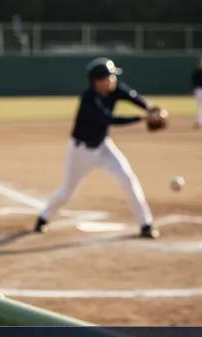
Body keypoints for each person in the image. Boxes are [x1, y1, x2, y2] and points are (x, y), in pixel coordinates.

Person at [33, 57, 159, 239]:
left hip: (103, 146)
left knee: (128, 179)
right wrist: (141, 119)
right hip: (80, 152)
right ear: (98, 81)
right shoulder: (88, 100)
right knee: (66, 193)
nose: (114, 80)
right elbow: (110, 120)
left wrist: (149, 108)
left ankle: (145, 224)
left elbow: (131, 96)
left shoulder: (114, 90)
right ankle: (43, 217)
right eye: (110, 77)